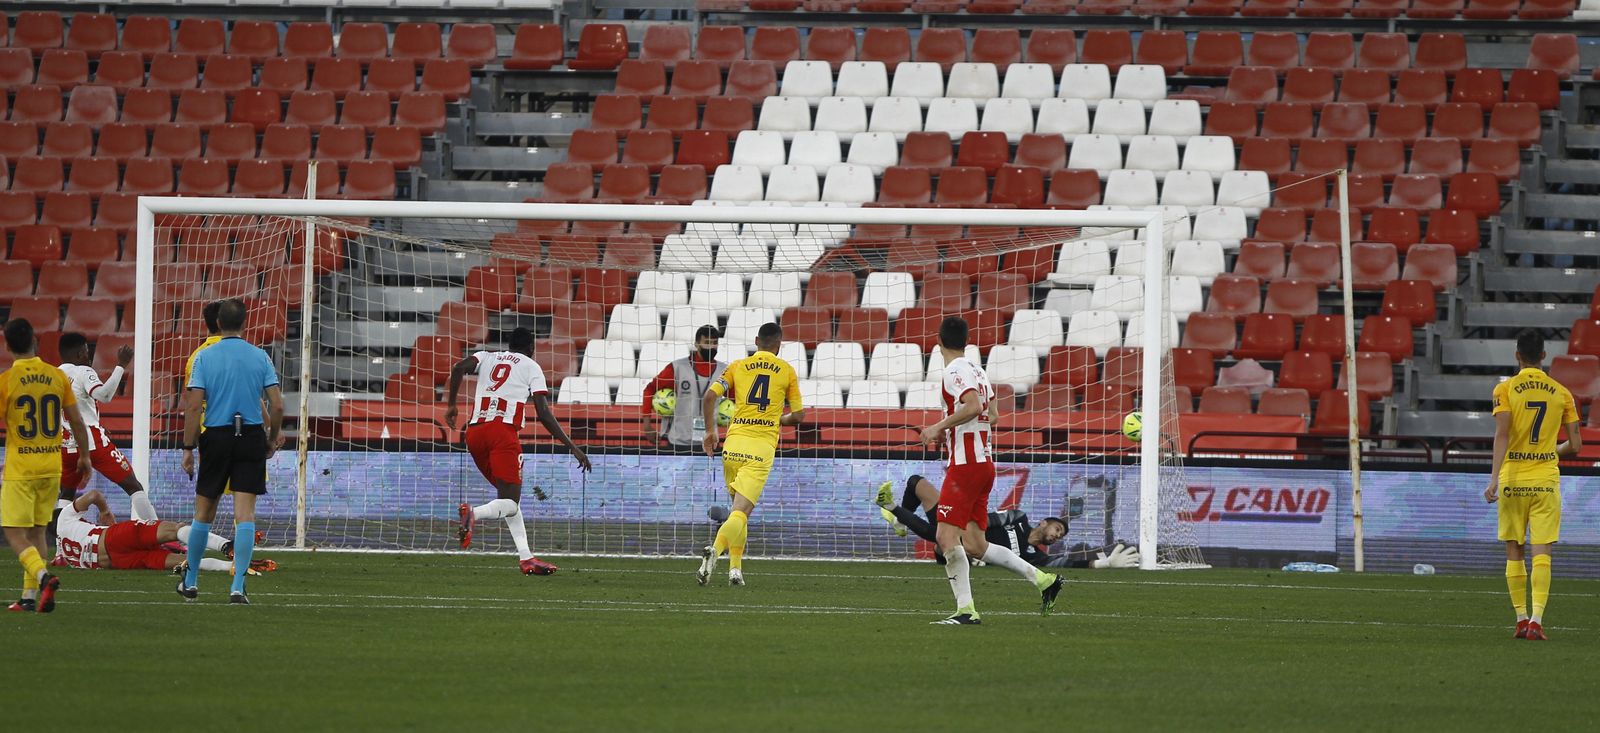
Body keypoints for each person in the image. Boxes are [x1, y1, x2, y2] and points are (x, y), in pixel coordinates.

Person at [919, 316, 1062, 625]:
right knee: (975, 545)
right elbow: (992, 414)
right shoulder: (977, 369)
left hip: (966, 466)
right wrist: (959, 428)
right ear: (967, 342)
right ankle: (1043, 580)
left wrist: (938, 427)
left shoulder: (954, 370)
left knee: (946, 539)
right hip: (983, 463)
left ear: (938, 341)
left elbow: (972, 407)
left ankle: (966, 611)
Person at [444, 327, 592, 575]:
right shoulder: (532, 367)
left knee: (508, 497)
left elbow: (459, 367)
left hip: (474, 433)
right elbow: (544, 412)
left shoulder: (487, 356)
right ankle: (473, 514)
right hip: (502, 433)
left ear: (509, 344)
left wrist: (451, 406)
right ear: (531, 347)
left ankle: (526, 558)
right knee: (511, 502)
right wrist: (572, 446)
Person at [177, 298, 283, 605]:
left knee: (204, 513)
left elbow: (194, 406)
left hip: (218, 436)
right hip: (250, 435)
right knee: (245, 514)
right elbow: (276, 404)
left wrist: (188, 447)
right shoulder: (259, 356)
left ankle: (192, 581)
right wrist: (271, 437)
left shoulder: (204, 357)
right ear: (244, 323)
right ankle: (237, 586)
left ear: (219, 324)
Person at [1486, 329, 1580, 641]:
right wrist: (1553, 451)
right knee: (1542, 552)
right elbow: (1576, 445)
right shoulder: (1562, 392)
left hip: (1513, 478)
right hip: (1545, 479)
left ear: (1517, 355)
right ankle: (1538, 620)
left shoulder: (1505, 389)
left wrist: (1493, 479)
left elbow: (1501, 434)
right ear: (1544, 355)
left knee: (1515, 549)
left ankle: (1520, 619)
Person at [696, 322, 804, 587]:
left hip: (733, 444)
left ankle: (735, 569)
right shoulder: (787, 371)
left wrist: (711, 432)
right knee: (741, 513)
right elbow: (799, 416)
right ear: (779, 345)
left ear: (757, 341)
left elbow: (709, 398)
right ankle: (715, 550)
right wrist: (780, 419)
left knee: (737, 511)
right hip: (760, 448)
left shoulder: (737, 366)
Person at [0, 318, 92, 614]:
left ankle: (42, 578)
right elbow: (77, 420)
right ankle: (28, 598)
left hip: (21, 469)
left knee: (14, 532)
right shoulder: (56, 376)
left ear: (7, 345)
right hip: (51, 466)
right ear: (35, 341)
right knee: (39, 532)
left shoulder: (6, 382)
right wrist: (85, 456)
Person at [874, 474, 1141, 570]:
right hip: (967, 529)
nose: (1057, 536)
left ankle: (892, 507)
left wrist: (1106, 562)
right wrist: (960, 519)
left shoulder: (1036, 556)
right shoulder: (1018, 517)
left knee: (941, 537)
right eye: (1057, 529)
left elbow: (1071, 564)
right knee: (916, 483)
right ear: (1044, 522)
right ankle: (899, 521)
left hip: (960, 555)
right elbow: (987, 520)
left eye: (1059, 536)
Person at [39, 490, 271, 579]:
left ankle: (229, 568)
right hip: (111, 537)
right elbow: (94, 495)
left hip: (116, 563)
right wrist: (105, 511)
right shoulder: (63, 516)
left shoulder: (63, 553)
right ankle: (226, 546)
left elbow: (55, 562)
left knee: (182, 562)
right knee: (172, 529)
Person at [55, 333, 157, 523]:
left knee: (66, 494)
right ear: (79, 354)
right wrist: (121, 365)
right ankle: (159, 533)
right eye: (86, 352)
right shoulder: (83, 371)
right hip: (92, 442)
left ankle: (61, 544)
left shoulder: (54, 375)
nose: (89, 356)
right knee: (133, 486)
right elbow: (104, 395)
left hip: (65, 444)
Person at [642, 325, 726, 452]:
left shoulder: (724, 371)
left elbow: (738, 399)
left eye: (715, 343)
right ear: (697, 344)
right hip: (679, 441)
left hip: (710, 442)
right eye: (707, 342)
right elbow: (649, 390)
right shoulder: (677, 368)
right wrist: (647, 425)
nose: (711, 347)